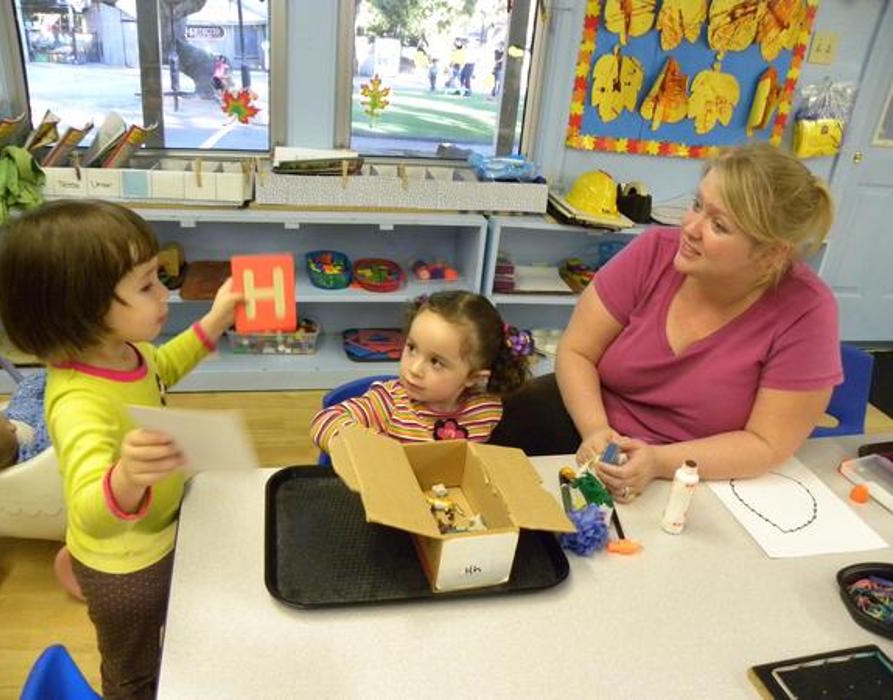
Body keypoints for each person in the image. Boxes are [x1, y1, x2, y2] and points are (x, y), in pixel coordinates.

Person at [490, 143, 841, 502]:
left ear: (771, 253)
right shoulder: (654, 251)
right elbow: (577, 351)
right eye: (697, 204)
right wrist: (596, 430)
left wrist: (659, 462)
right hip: (587, 428)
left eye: (718, 225)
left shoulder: (806, 311)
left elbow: (766, 445)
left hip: (698, 474)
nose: (690, 227)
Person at [0, 199, 241, 699]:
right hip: (125, 568)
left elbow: (161, 367)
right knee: (134, 672)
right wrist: (127, 477)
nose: (164, 295)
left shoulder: (125, 352)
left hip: (164, 531)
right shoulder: (78, 401)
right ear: (83, 308)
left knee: (176, 640)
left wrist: (215, 320)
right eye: (146, 285)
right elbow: (89, 511)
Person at [312, 291, 532, 454]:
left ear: (473, 377)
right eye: (412, 348)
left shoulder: (486, 410)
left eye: (436, 362)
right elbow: (326, 421)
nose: (414, 369)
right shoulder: (389, 402)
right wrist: (371, 448)